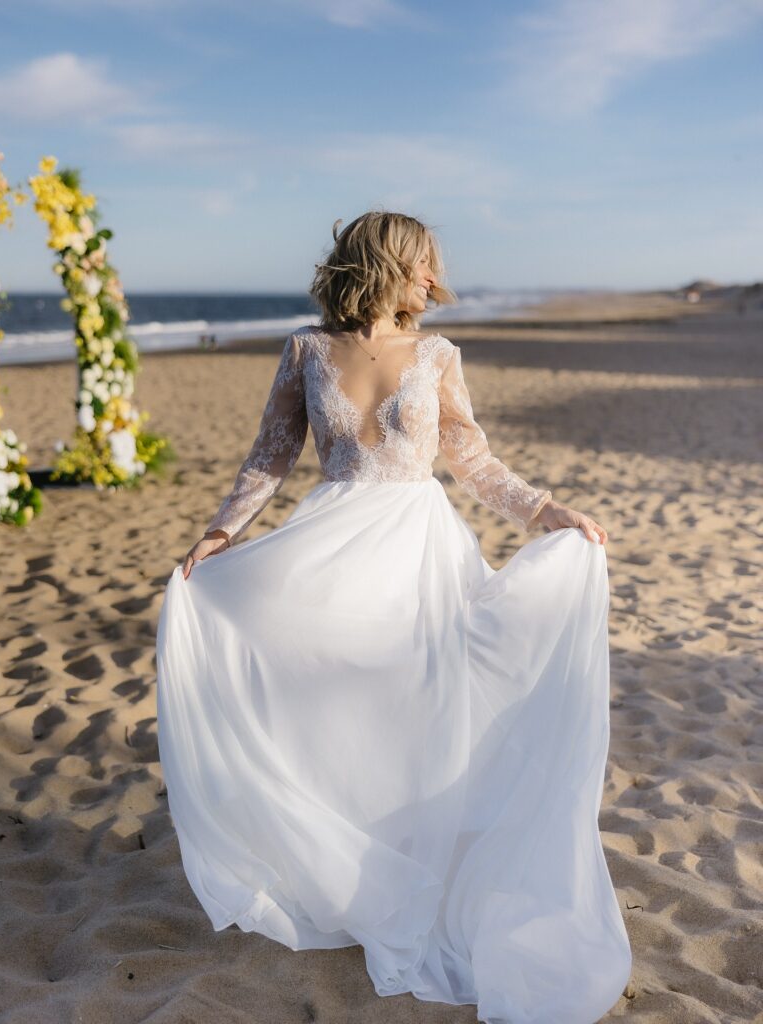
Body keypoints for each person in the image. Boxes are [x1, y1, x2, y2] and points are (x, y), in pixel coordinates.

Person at [156, 212, 632, 1024]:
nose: (432, 280)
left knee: (418, 710)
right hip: (330, 547)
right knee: (341, 713)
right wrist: (220, 534)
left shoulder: (439, 355)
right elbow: (270, 455)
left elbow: (472, 457)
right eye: (422, 265)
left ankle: (421, 872)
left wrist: (545, 510)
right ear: (385, 262)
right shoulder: (307, 348)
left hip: (417, 549)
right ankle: (349, 874)